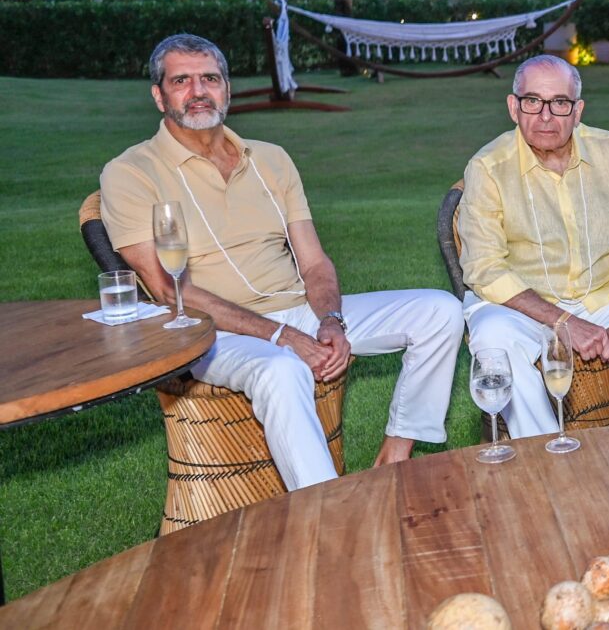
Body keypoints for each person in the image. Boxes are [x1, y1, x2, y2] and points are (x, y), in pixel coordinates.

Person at [100, 35, 464, 491]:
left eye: (209, 78)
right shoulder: (131, 172)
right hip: (210, 333)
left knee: (440, 310)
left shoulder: (270, 159)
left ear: (227, 89)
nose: (198, 92)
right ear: (159, 95)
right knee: (282, 366)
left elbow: (313, 263)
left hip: (295, 312)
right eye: (181, 81)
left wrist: (331, 321)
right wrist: (280, 335)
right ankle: (327, 508)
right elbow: (169, 289)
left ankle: (396, 453)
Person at [457, 54, 609, 438]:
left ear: (577, 111)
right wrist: (564, 323)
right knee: (493, 336)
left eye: (559, 103)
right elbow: (485, 269)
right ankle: (544, 455)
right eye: (532, 101)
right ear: (513, 107)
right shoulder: (488, 167)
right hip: (526, 308)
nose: (545, 116)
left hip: (602, 297)